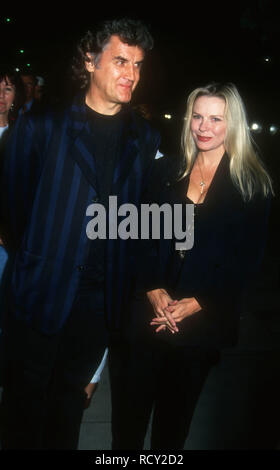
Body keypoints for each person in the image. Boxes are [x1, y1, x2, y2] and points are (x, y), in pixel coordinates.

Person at [0, 18, 159, 449]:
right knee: (22, 409)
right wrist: (39, 255)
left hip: (98, 303)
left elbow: (138, 219)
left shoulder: (144, 137)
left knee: (68, 406)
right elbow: (13, 207)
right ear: (90, 61)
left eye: (139, 65)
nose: (131, 75)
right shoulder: (42, 125)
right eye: (121, 61)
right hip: (39, 291)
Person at [111, 82, 273, 450]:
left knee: (173, 429)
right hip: (147, 314)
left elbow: (246, 260)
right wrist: (152, 288)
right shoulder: (165, 171)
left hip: (200, 323)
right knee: (127, 426)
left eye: (216, 118)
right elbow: (140, 236)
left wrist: (198, 301)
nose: (204, 127)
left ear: (233, 125)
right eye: (197, 116)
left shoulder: (252, 185)